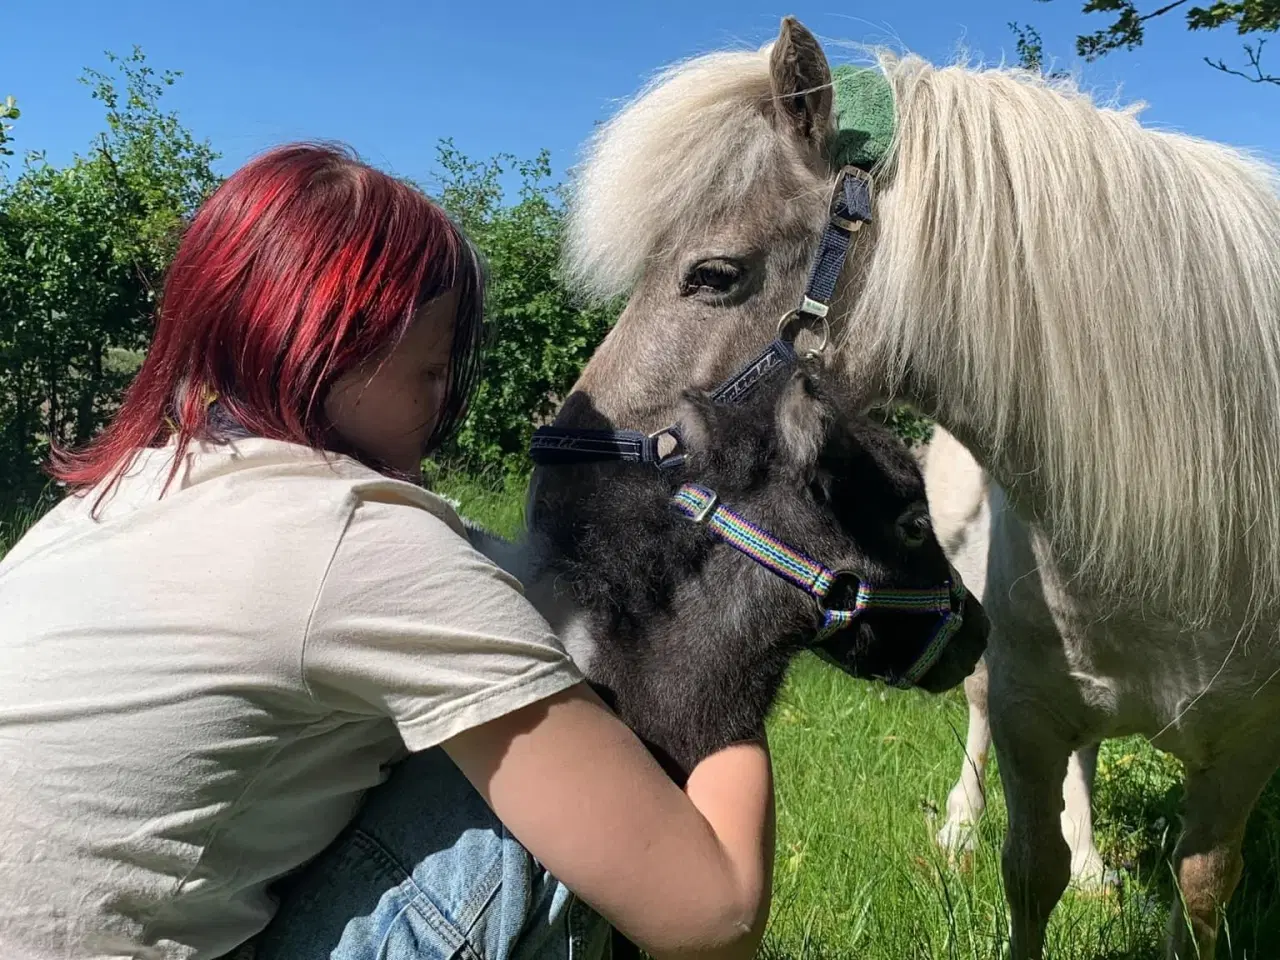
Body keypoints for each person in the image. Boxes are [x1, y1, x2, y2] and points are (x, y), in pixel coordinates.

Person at [0, 143, 775, 960]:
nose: (444, 403)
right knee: (563, 785)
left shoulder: (116, 497)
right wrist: (725, 648)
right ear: (334, 345)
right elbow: (711, 916)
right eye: (434, 368)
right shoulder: (363, 543)